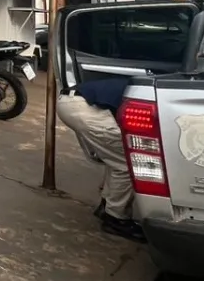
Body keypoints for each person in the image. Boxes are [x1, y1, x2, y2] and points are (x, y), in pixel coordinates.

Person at [57, 76, 144, 242]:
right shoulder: (153, 93)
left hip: (71, 100)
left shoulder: (144, 82)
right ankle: (116, 219)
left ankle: (107, 206)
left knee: (117, 159)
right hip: (83, 107)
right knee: (127, 164)